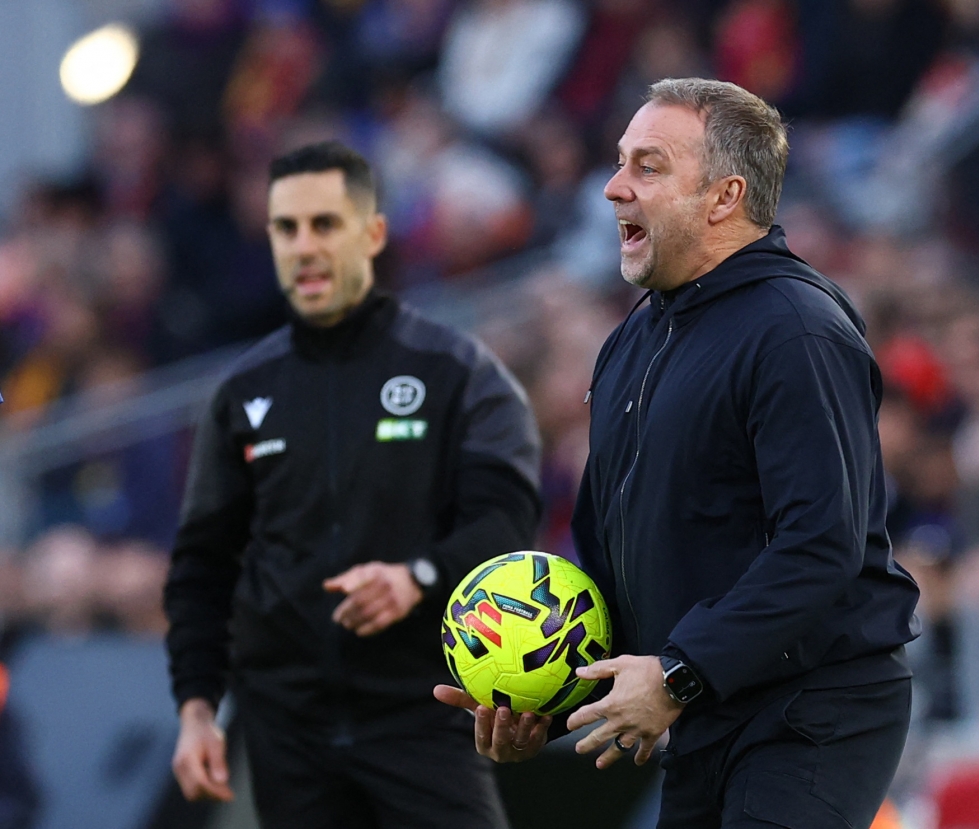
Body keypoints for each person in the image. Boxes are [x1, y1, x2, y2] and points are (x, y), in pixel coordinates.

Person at [437, 78, 920, 828]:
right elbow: (614, 559)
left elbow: (821, 545)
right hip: (704, 709)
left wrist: (678, 673)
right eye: (619, 161)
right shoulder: (630, 341)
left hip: (811, 711)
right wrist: (547, 692)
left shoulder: (796, 330)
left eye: (649, 166)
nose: (613, 187)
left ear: (725, 197)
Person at [164, 141, 540, 829]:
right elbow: (201, 565)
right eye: (287, 228)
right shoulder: (241, 392)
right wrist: (196, 708)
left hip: (421, 711)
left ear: (373, 233)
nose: (304, 246)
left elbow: (507, 522)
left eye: (325, 224)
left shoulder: (457, 371)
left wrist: (417, 578)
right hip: (286, 729)